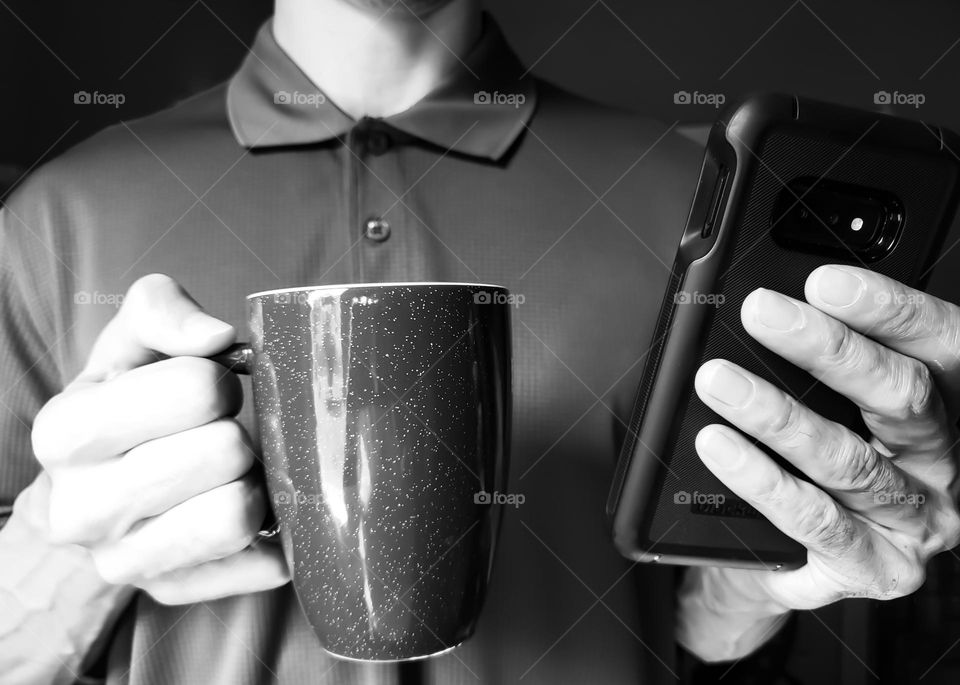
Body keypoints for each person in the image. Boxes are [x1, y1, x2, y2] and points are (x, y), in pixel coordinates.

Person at [1, 0, 959, 683]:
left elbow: (709, 635)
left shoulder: (696, 203)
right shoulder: (54, 216)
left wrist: (740, 611)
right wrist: (60, 556)